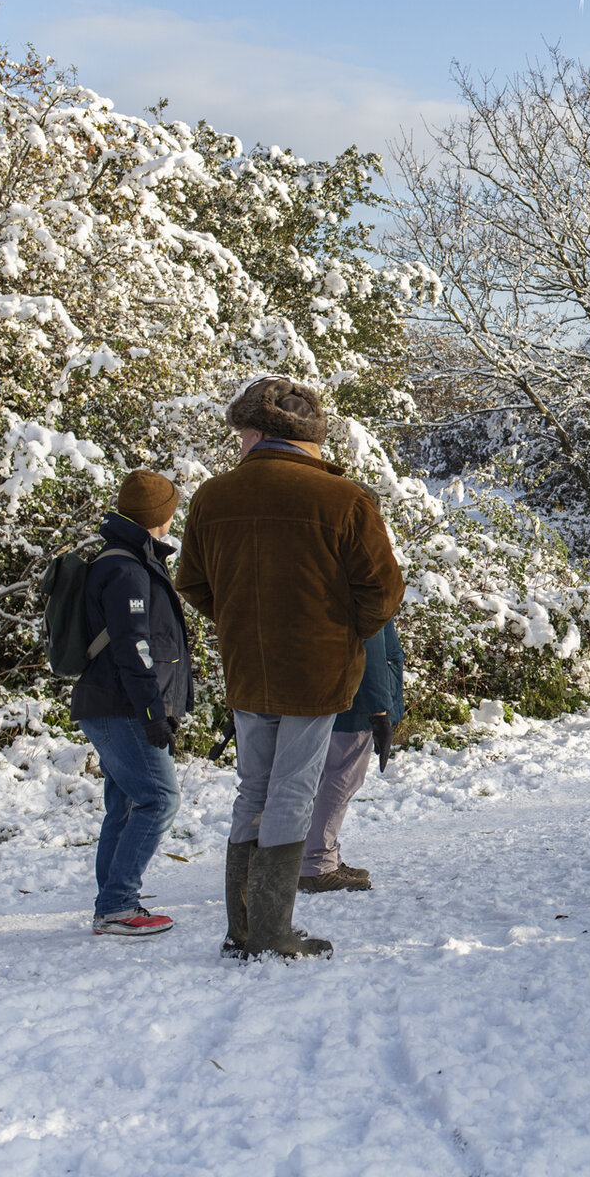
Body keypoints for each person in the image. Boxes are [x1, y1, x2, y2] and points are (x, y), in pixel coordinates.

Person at [176, 377, 405, 960]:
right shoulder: (344, 499)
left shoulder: (212, 496)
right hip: (317, 670)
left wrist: (240, 620)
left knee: (252, 787)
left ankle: (243, 928)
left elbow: (194, 584)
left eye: (240, 433)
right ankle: (272, 932)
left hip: (247, 668)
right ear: (308, 437)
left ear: (257, 431)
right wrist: (340, 630)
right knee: (292, 792)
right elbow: (382, 593)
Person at [71, 469, 192, 937]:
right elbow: (133, 647)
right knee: (160, 798)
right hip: (121, 706)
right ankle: (118, 906)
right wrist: (152, 712)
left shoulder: (129, 559)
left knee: (125, 804)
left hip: (112, 703)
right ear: (160, 515)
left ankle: (113, 902)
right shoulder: (124, 568)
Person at [299, 615, 404, 893]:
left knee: (326, 777)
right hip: (356, 701)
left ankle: (322, 855)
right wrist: (380, 709)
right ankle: (317, 863)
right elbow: (372, 650)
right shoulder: (365, 580)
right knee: (342, 779)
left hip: (339, 693)